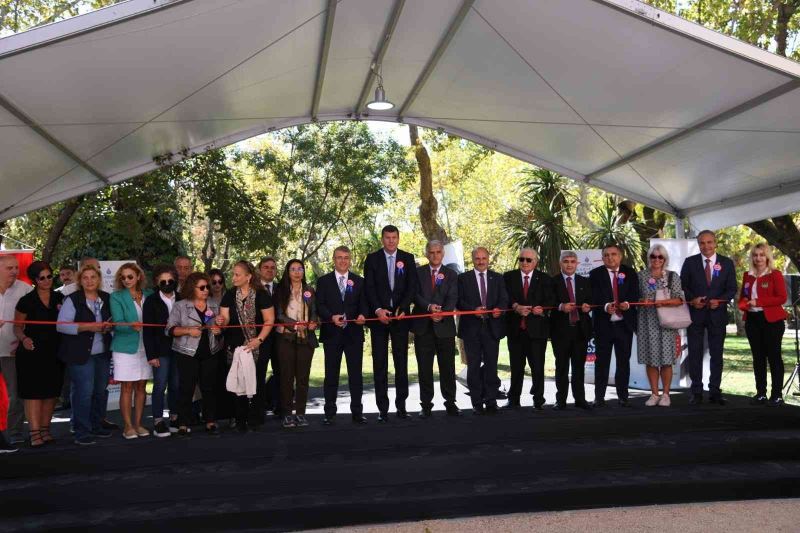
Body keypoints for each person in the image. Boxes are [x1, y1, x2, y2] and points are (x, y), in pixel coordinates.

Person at [364, 225, 418, 422]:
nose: (391, 241)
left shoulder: (408, 258)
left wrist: (403, 308)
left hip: (400, 318)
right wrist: (378, 310)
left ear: (398, 238)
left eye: (394, 237)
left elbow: (412, 286)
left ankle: (401, 406)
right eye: (387, 238)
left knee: (401, 362)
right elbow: (369, 287)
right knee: (380, 364)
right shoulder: (372, 259)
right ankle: (382, 408)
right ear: (382, 239)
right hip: (379, 319)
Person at [56, 264, 113, 445]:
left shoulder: (107, 298)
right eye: (85, 278)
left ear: (99, 280)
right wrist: (89, 327)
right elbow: (61, 325)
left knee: (100, 391)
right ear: (80, 281)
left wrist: (108, 328)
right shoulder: (72, 299)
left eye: (93, 277)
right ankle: (82, 431)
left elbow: (113, 322)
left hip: (102, 353)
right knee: (84, 393)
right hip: (80, 355)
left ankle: (97, 425)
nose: (89, 281)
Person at [680, 230, 737, 405]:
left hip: (717, 316)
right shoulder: (690, 262)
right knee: (695, 354)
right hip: (695, 315)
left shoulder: (726, 263)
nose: (706, 246)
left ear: (716, 243)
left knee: (717, 355)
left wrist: (720, 302)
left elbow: (732, 288)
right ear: (698, 244)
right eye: (702, 243)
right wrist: (692, 299)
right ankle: (696, 391)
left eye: (709, 242)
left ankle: (715, 391)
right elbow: (682, 285)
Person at [217, 260, 274, 432]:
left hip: (258, 346)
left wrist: (259, 340)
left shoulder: (262, 295)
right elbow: (225, 319)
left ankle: (256, 418)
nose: (233, 277)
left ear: (248, 277)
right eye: (233, 274)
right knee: (238, 381)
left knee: (257, 380)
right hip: (235, 347)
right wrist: (221, 321)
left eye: (237, 274)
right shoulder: (229, 295)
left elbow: (269, 320)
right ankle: (240, 418)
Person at [13, 261, 64, 446]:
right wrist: (24, 339)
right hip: (32, 352)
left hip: (55, 352)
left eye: (49, 276)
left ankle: (45, 429)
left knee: (51, 392)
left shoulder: (60, 298)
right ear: (35, 280)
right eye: (42, 278)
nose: (47, 280)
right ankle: (34, 433)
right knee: (33, 393)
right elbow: (17, 328)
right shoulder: (26, 301)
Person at [167, 272, 224, 435]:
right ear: (192, 288)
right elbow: (169, 329)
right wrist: (187, 331)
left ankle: (210, 420)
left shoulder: (214, 304)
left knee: (209, 387)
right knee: (186, 387)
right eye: (202, 287)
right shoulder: (180, 306)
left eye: (208, 286)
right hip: (187, 352)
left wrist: (219, 328)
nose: (206, 290)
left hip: (210, 351)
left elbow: (222, 328)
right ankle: (183, 422)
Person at [316, 246, 368, 425]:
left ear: (350, 259)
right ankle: (329, 413)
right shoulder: (323, 281)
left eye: (346, 257)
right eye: (339, 257)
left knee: (356, 376)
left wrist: (363, 315)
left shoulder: (359, 281)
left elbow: (364, 304)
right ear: (333, 259)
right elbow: (319, 305)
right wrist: (331, 317)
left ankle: (357, 413)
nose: (343, 260)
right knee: (331, 375)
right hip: (332, 334)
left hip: (353, 335)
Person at [457, 247, 509, 414]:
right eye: (477, 258)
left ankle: (491, 400)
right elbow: (458, 301)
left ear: (488, 259)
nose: (481, 261)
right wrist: (473, 309)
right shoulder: (463, 278)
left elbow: (504, 299)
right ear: (472, 259)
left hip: (492, 328)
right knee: (473, 366)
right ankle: (477, 402)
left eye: (483, 258)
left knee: (491, 366)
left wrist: (499, 309)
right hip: (471, 328)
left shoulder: (498, 278)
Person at [412, 240, 460, 418]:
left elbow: (453, 296)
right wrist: (429, 307)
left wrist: (444, 313)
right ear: (426, 254)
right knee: (424, 368)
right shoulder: (417, 273)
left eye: (438, 252)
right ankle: (426, 405)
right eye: (431, 252)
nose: (435, 255)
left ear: (443, 254)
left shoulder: (451, 274)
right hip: (423, 328)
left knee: (447, 367)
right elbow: (415, 295)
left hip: (444, 327)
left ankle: (450, 403)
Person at [503, 248, 555, 411]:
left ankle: (538, 399)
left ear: (535, 262)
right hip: (516, 330)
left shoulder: (545, 279)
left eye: (528, 260)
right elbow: (504, 296)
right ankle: (513, 399)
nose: (524, 262)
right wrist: (515, 306)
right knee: (516, 367)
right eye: (521, 259)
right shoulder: (508, 277)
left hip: (537, 331)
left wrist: (543, 309)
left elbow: (551, 300)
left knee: (537, 367)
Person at [589, 244, 640, 408]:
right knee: (601, 362)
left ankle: (623, 397)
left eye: (614, 254)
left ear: (621, 256)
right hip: (603, 325)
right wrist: (604, 306)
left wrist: (627, 304)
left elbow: (635, 294)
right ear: (602, 257)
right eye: (606, 255)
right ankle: (599, 397)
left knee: (623, 362)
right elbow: (592, 297)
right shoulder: (595, 274)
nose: (610, 258)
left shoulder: (630, 273)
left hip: (624, 324)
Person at [739, 243, 788, 406]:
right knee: (758, 358)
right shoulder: (748, 275)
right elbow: (743, 296)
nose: (758, 258)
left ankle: (777, 395)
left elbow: (782, 297)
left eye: (761, 255)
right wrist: (743, 303)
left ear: (767, 257)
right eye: (755, 255)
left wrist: (758, 301)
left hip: (772, 321)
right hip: (752, 320)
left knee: (774, 357)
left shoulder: (775, 274)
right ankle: (761, 393)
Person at [637, 245, 685, 407]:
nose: (656, 260)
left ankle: (665, 394)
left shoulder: (672, 276)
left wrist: (660, 302)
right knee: (650, 360)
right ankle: (654, 394)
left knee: (666, 361)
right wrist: (641, 302)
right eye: (653, 256)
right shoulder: (641, 276)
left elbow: (679, 299)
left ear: (665, 259)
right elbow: (634, 298)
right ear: (649, 258)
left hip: (667, 323)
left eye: (660, 257)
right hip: (646, 322)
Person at [110, 263, 153, 439]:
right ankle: (128, 426)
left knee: (142, 386)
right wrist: (131, 326)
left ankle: (138, 424)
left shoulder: (150, 295)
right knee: (127, 387)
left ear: (138, 276)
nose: (126, 280)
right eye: (123, 277)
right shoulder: (116, 296)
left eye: (130, 276)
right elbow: (117, 323)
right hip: (125, 348)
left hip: (147, 347)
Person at [274, 259, 318, 428]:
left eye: (300, 269)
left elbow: (314, 311)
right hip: (286, 338)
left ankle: (300, 414)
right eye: (293, 269)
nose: (297, 272)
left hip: (306, 339)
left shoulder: (309, 290)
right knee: (286, 377)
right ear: (288, 272)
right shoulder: (281, 290)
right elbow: (279, 314)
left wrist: (313, 321)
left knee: (302, 378)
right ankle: (286, 414)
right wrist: (294, 324)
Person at [550, 251, 593, 410]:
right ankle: (560, 400)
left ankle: (580, 399)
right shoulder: (553, 281)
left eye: (572, 261)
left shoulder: (584, 281)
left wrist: (587, 306)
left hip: (580, 330)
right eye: (566, 261)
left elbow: (591, 299)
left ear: (577, 264)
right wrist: (561, 306)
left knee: (578, 367)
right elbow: (549, 300)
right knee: (561, 366)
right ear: (561, 263)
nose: (569, 264)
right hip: (560, 330)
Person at [143, 265, 180, 437]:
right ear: (157, 282)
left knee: (176, 385)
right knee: (159, 386)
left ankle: (174, 418)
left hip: (179, 349)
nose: (167, 284)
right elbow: (148, 331)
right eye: (163, 281)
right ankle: (158, 420)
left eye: (170, 281)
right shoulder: (151, 301)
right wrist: (152, 355)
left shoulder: (181, 298)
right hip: (160, 351)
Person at [0, 254, 33, 445]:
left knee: (14, 396)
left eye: (16, 268)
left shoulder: (25, 290)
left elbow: (32, 321)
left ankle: (14, 434)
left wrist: (22, 342)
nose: (14, 271)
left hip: (12, 352)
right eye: (9, 268)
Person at [258, 256, 280, 416]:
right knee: (259, 372)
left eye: (272, 267)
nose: (269, 270)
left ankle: (279, 406)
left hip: (279, 338)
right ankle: (258, 409)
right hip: (260, 338)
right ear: (259, 269)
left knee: (281, 372)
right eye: (266, 267)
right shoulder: (252, 289)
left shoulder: (281, 289)